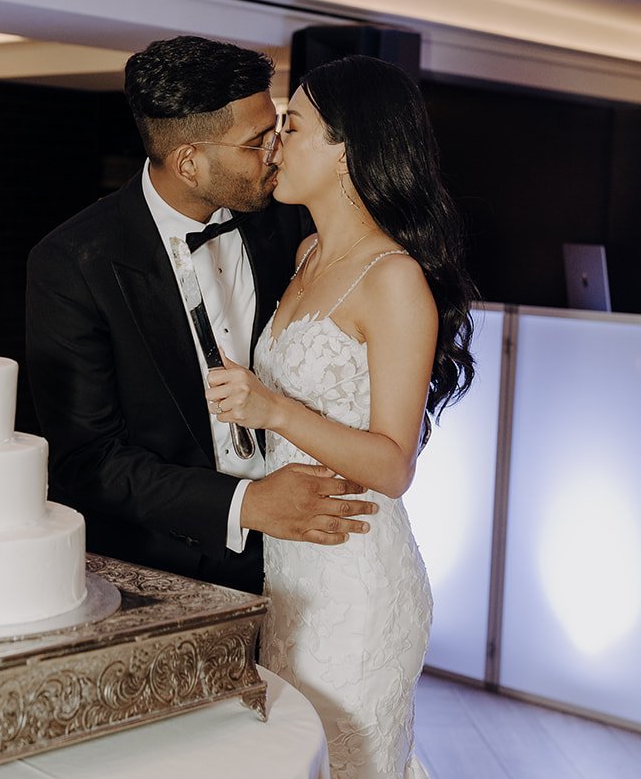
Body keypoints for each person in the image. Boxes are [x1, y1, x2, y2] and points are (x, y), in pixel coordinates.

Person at [206, 55, 559, 779]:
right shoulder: (309, 249)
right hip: (289, 572)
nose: (276, 144)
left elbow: (392, 461)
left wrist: (273, 410)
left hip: (358, 588)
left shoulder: (392, 278)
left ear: (355, 148)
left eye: (297, 128)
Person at [25, 36, 377, 596]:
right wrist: (246, 504)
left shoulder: (287, 224)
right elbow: (87, 461)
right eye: (257, 141)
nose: (276, 153)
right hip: (158, 569)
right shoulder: (73, 265)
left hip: (305, 556)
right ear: (190, 161)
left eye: (280, 130)